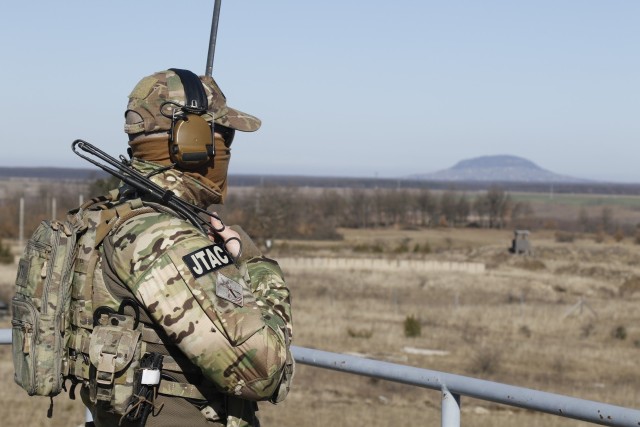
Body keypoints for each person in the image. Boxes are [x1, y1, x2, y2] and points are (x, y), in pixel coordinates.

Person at [67, 68, 293, 427]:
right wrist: (253, 262)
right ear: (193, 141)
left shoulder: (105, 216)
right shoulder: (164, 239)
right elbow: (263, 369)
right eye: (226, 137)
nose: (228, 150)